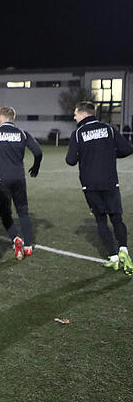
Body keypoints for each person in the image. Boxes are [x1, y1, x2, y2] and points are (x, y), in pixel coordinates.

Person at [65, 101, 133, 273]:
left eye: (76, 113)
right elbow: (127, 149)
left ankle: (113, 257)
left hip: (90, 184)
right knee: (117, 218)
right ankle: (123, 249)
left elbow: (70, 160)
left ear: (84, 114)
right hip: (110, 181)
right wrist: (109, 152)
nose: (74, 117)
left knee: (101, 219)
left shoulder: (78, 133)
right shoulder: (109, 129)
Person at [0, 106, 43, 259]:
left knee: (6, 214)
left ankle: (15, 238)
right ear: (13, 118)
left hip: (1, 178)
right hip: (19, 177)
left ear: (1, 118)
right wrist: (36, 166)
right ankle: (27, 246)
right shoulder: (21, 133)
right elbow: (38, 152)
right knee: (23, 212)